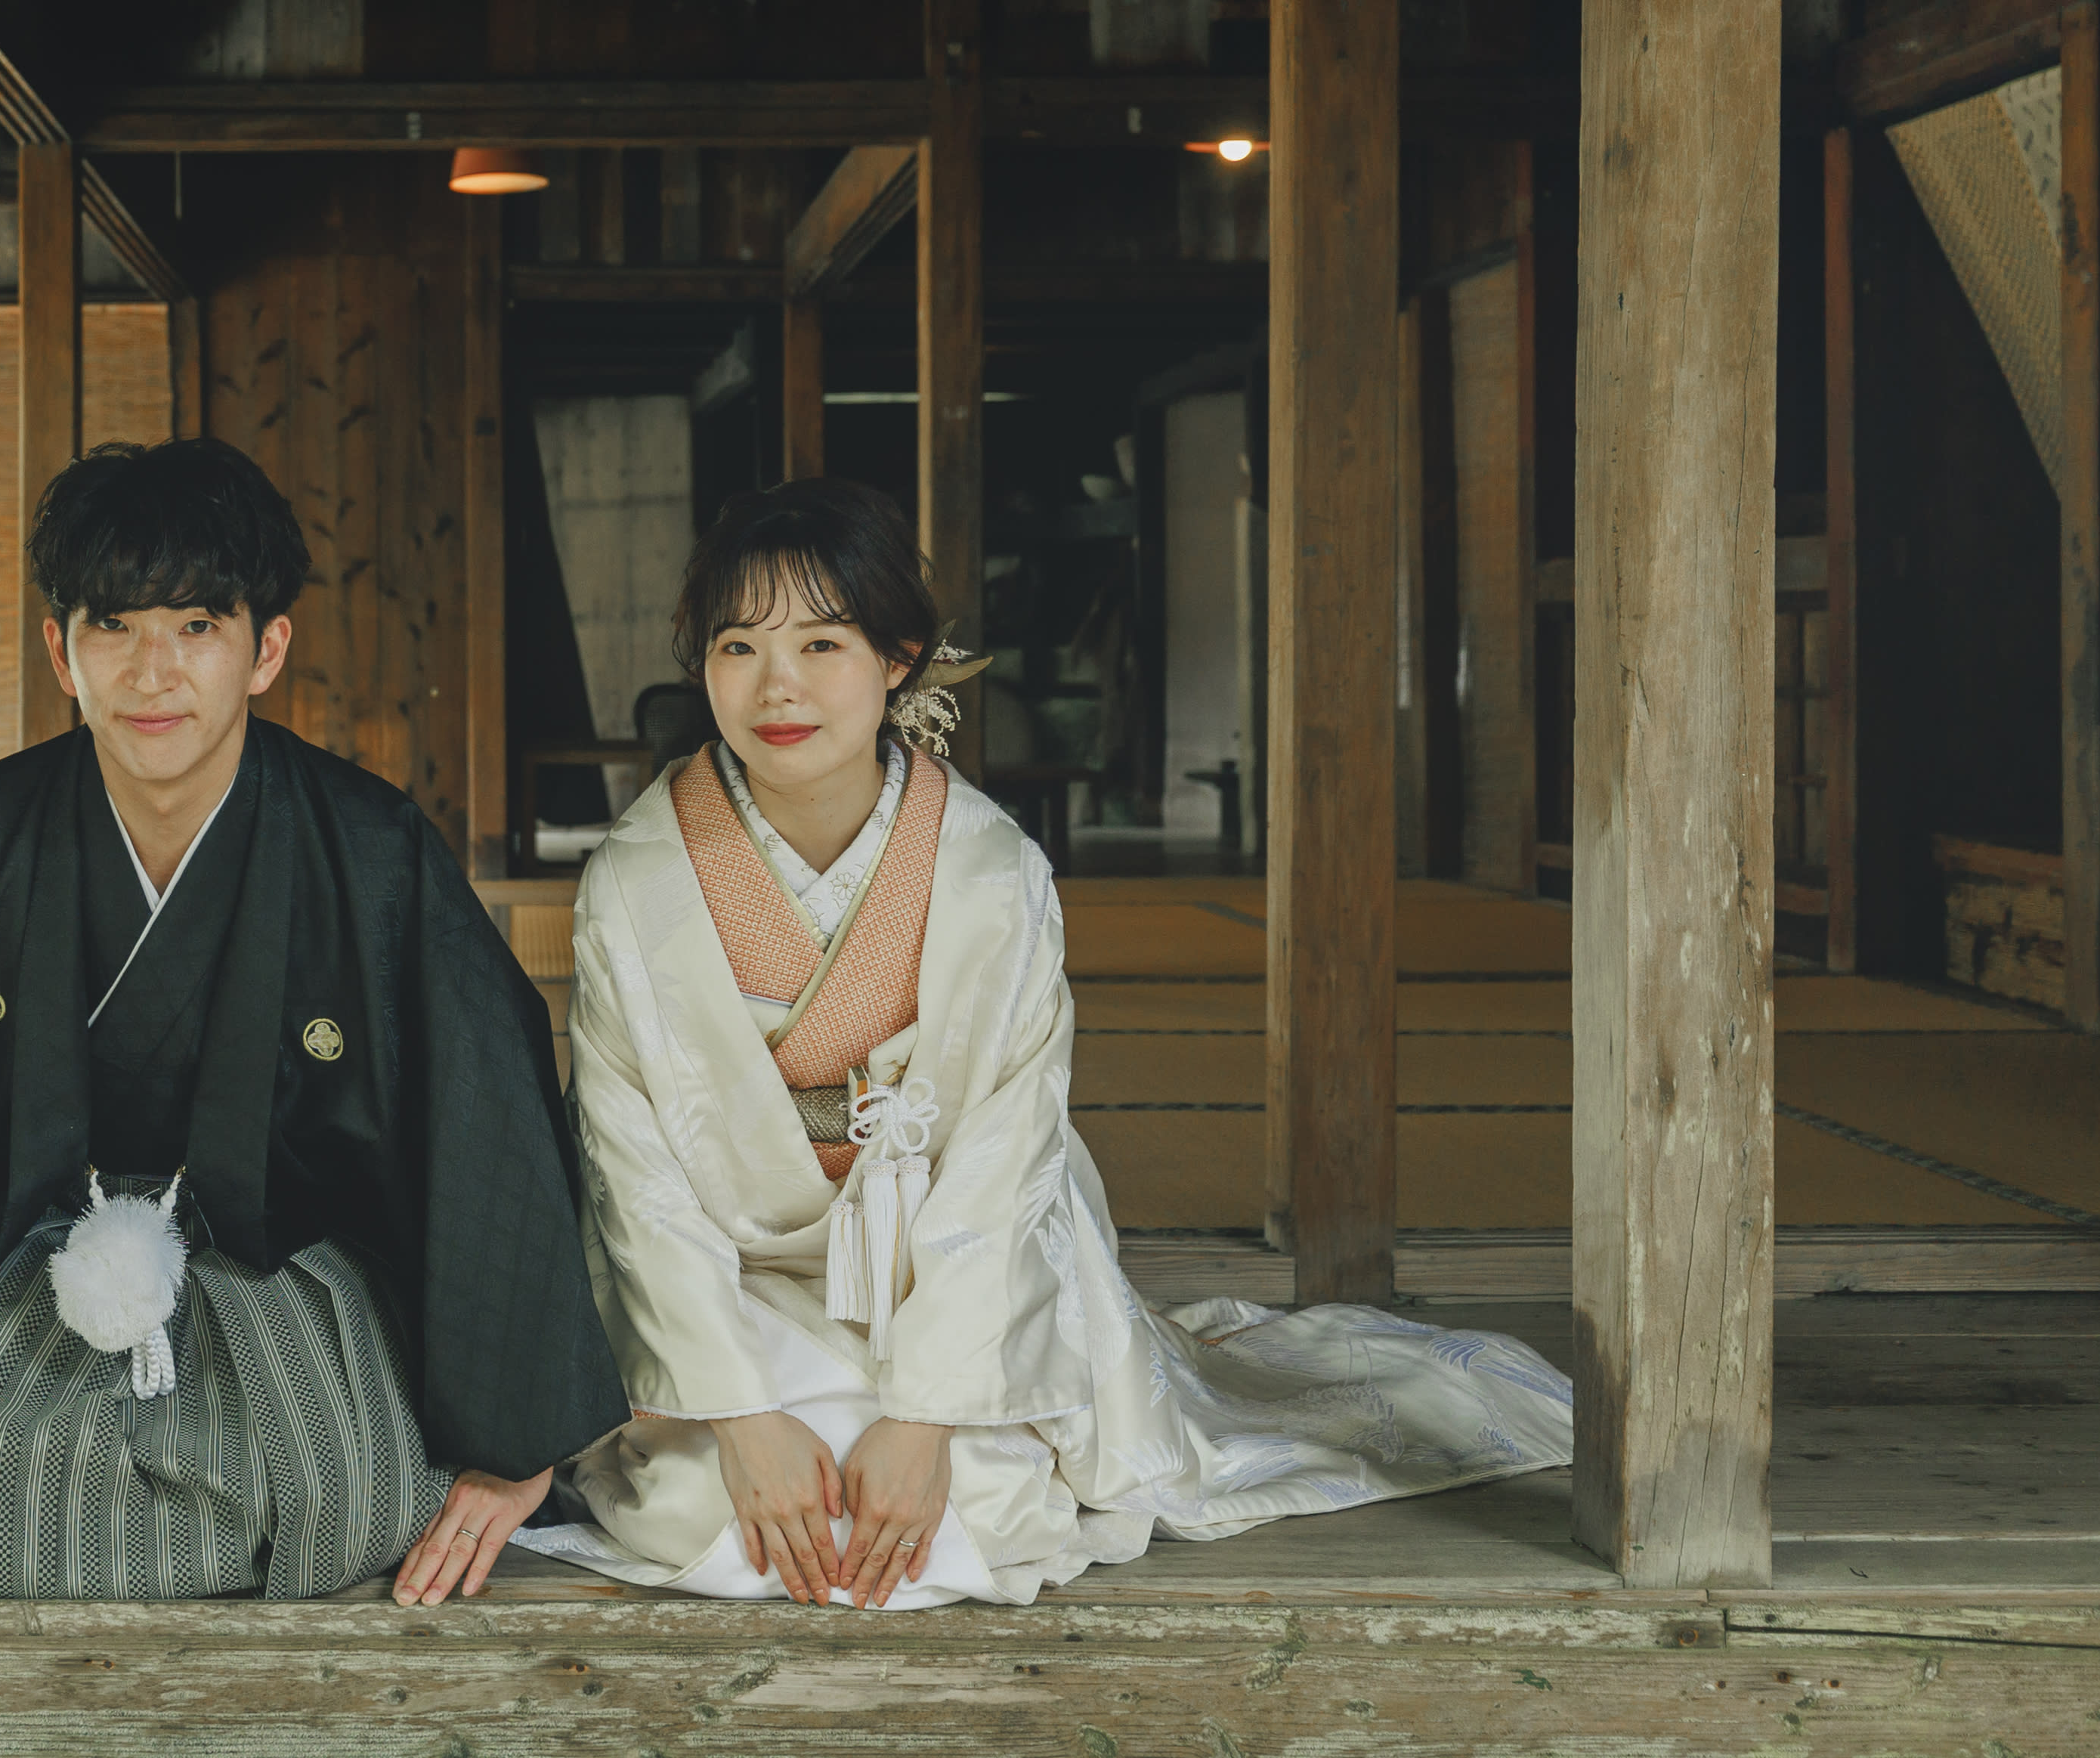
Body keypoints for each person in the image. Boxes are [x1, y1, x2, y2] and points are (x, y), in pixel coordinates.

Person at [520, 478, 1570, 1611]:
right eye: (739, 645)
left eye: (821, 642)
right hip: (728, 1278)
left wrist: (928, 1414)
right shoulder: (638, 879)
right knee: (715, 1511)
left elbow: (1004, 1157)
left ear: (898, 658)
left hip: (945, 1260)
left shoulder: (986, 867)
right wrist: (737, 1413)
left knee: (974, 1500)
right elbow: (633, 1172)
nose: (777, 684)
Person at [0, 438, 626, 1608]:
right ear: (62, 650)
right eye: (113, 624)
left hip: (287, 1278)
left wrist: (517, 1430)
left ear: (266, 648)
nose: (154, 672)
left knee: (348, 1482)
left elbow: (490, 1121)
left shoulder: (371, 855)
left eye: (198, 625)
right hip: (18, 1270)